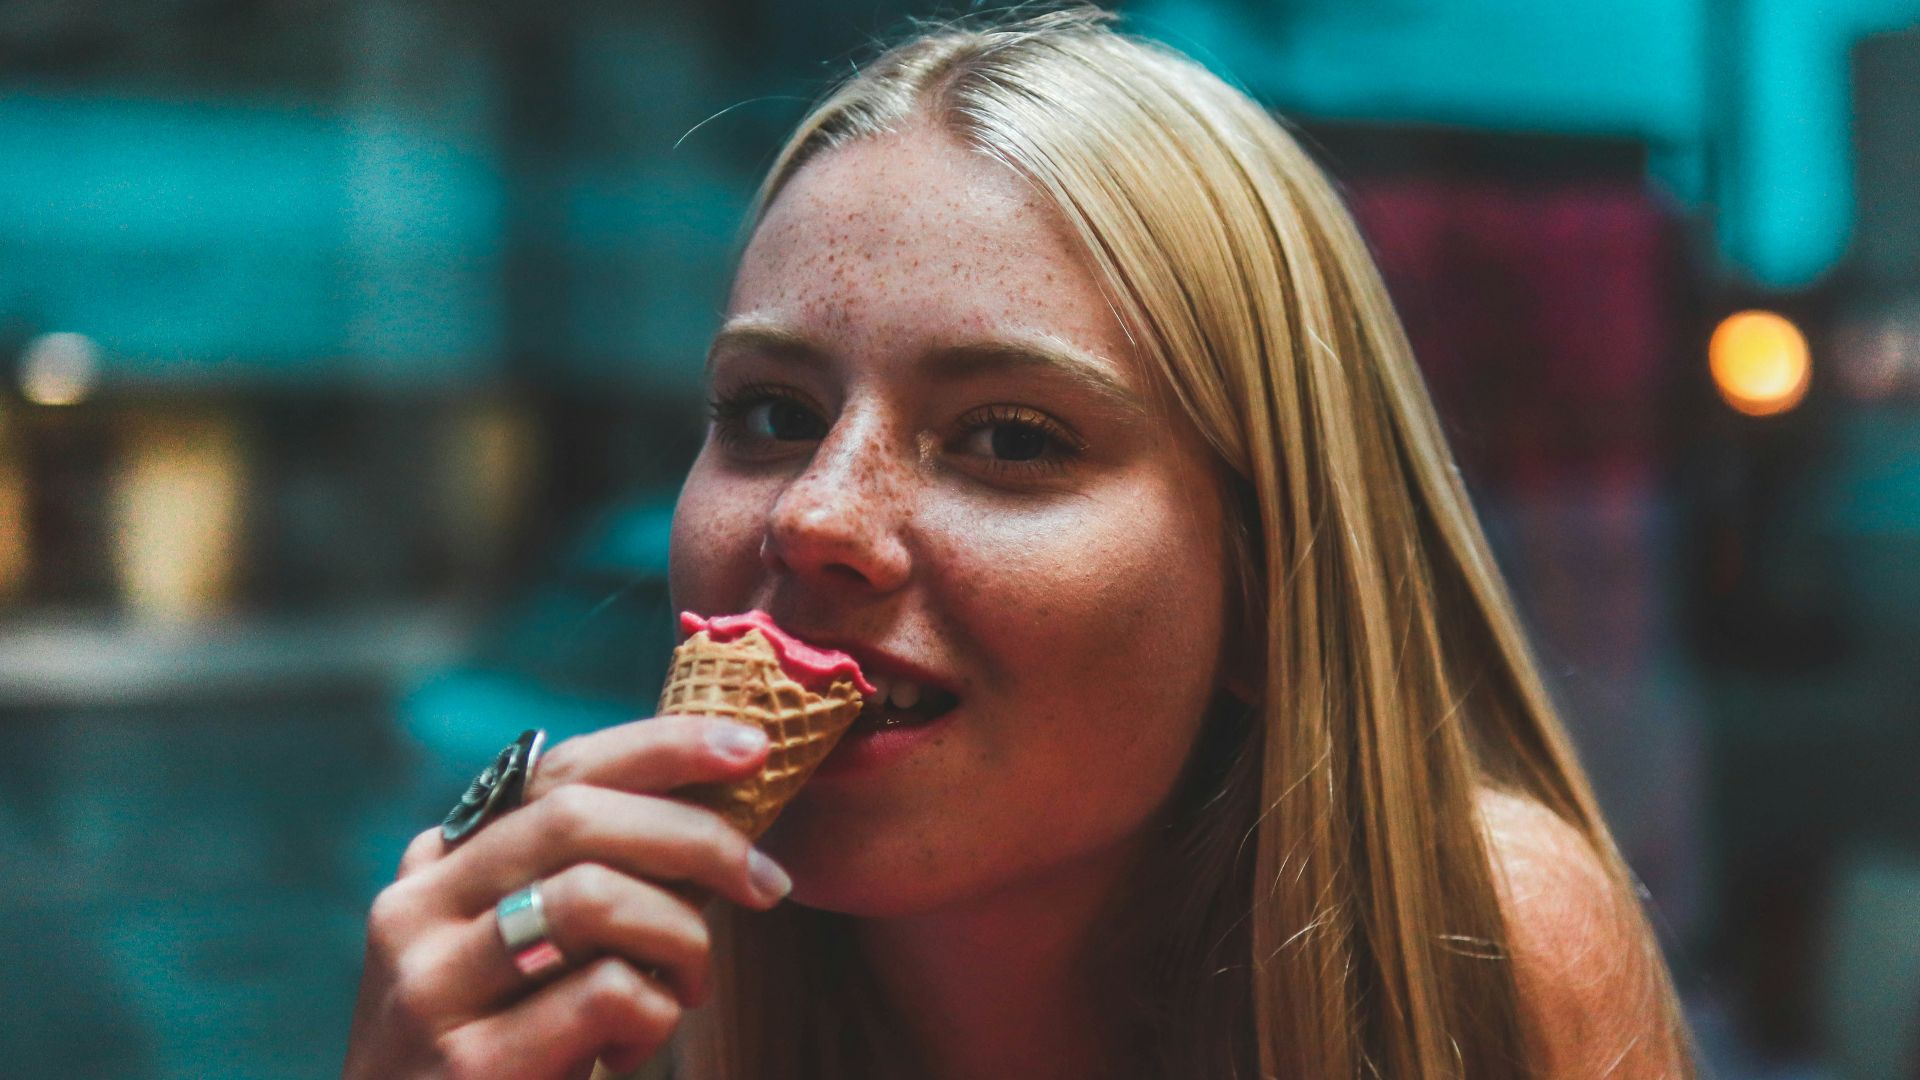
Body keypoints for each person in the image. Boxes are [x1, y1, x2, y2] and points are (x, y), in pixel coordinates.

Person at [343, 8, 1695, 1078]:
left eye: (1009, 438)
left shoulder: (1464, 964)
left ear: (1264, 588)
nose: (814, 514)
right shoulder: (589, 1021)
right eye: (771, 414)